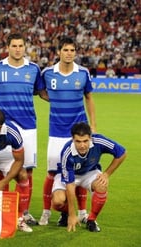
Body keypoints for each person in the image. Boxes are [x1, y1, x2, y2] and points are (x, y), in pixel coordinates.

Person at [0, 33, 46, 227]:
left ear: (25, 47)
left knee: (27, 171)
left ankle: (23, 212)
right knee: (5, 168)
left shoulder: (33, 69)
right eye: (14, 45)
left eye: (21, 45)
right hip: (3, 127)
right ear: (7, 47)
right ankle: (5, 208)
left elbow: (41, 92)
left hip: (27, 127)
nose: (18, 49)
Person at [39, 36, 97, 226]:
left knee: (81, 171)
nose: (69, 53)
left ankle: (81, 212)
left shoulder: (83, 73)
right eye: (65, 50)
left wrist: (93, 126)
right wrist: (56, 101)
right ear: (59, 52)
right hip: (56, 131)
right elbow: (41, 92)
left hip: (79, 133)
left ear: (75, 52)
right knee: (52, 173)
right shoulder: (48, 73)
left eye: (72, 50)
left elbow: (89, 97)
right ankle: (47, 212)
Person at [51, 122, 126, 232]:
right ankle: (66, 213)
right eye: (78, 141)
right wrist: (72, 214)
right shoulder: (67, 152)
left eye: (85, 141)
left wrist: (106, 174)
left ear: (90, 138)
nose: (82, 145)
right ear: (73, 139)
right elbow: (70, 185)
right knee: (57, 202)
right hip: (68, 175)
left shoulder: (99, 141)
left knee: (102, 185)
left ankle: (91, 220)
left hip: (89, 172)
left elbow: (122, 153)